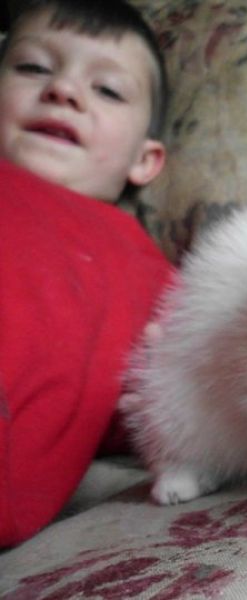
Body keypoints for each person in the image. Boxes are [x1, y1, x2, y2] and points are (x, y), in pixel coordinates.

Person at [0, 0, 176, 547]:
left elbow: (145, 411)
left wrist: (162, 388)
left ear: (144, 161)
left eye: (108, 90)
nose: (64, 91)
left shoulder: (146, 268)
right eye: (33, 67)